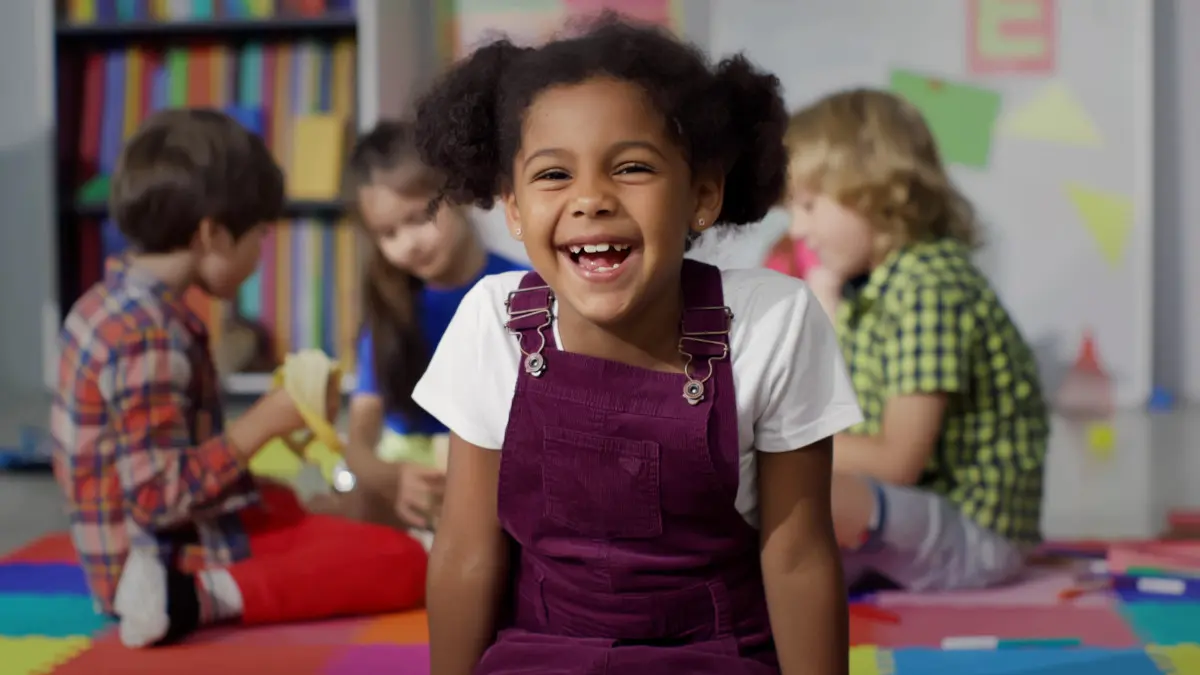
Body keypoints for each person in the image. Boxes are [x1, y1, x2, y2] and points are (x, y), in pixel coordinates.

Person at [410, 16, 863, 675]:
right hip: (539, 656)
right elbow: (466, 552)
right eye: (553, 175)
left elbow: (798, 556)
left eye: (631, 167)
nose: (591, 198)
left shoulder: (771, 321)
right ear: (512, 207)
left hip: (717, 657)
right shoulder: (494, 321)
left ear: (702, 195)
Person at [51, 109, 428, 649]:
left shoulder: (106, 306)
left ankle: (221, 573)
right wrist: (266, 422)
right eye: (259, 237)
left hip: (159, 539)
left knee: (297, 507)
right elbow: (159, 498)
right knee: (404, 561)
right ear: (213, 235)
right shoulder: (148, 336)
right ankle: (193, 598)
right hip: (155, 563)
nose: (261, 253)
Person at [783, 88, 1049, 592]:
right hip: (908, 516)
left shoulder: (928, 286)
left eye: (809, 205)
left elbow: (895, 461)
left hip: (975, 535)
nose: (797, 229)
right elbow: (839, 407)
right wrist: (827, 305)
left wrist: (779, 444)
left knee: (797, 489)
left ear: (874, 191)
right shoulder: (878, 287)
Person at [312, 121, 525, 530]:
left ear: (458, 192)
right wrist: (392, 479)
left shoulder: (521, 289)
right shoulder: (394, 307)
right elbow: (358, 443)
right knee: (344, 510)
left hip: (496, 461)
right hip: (409, 473)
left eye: (419, 217)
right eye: (388, 233)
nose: (407, 242)